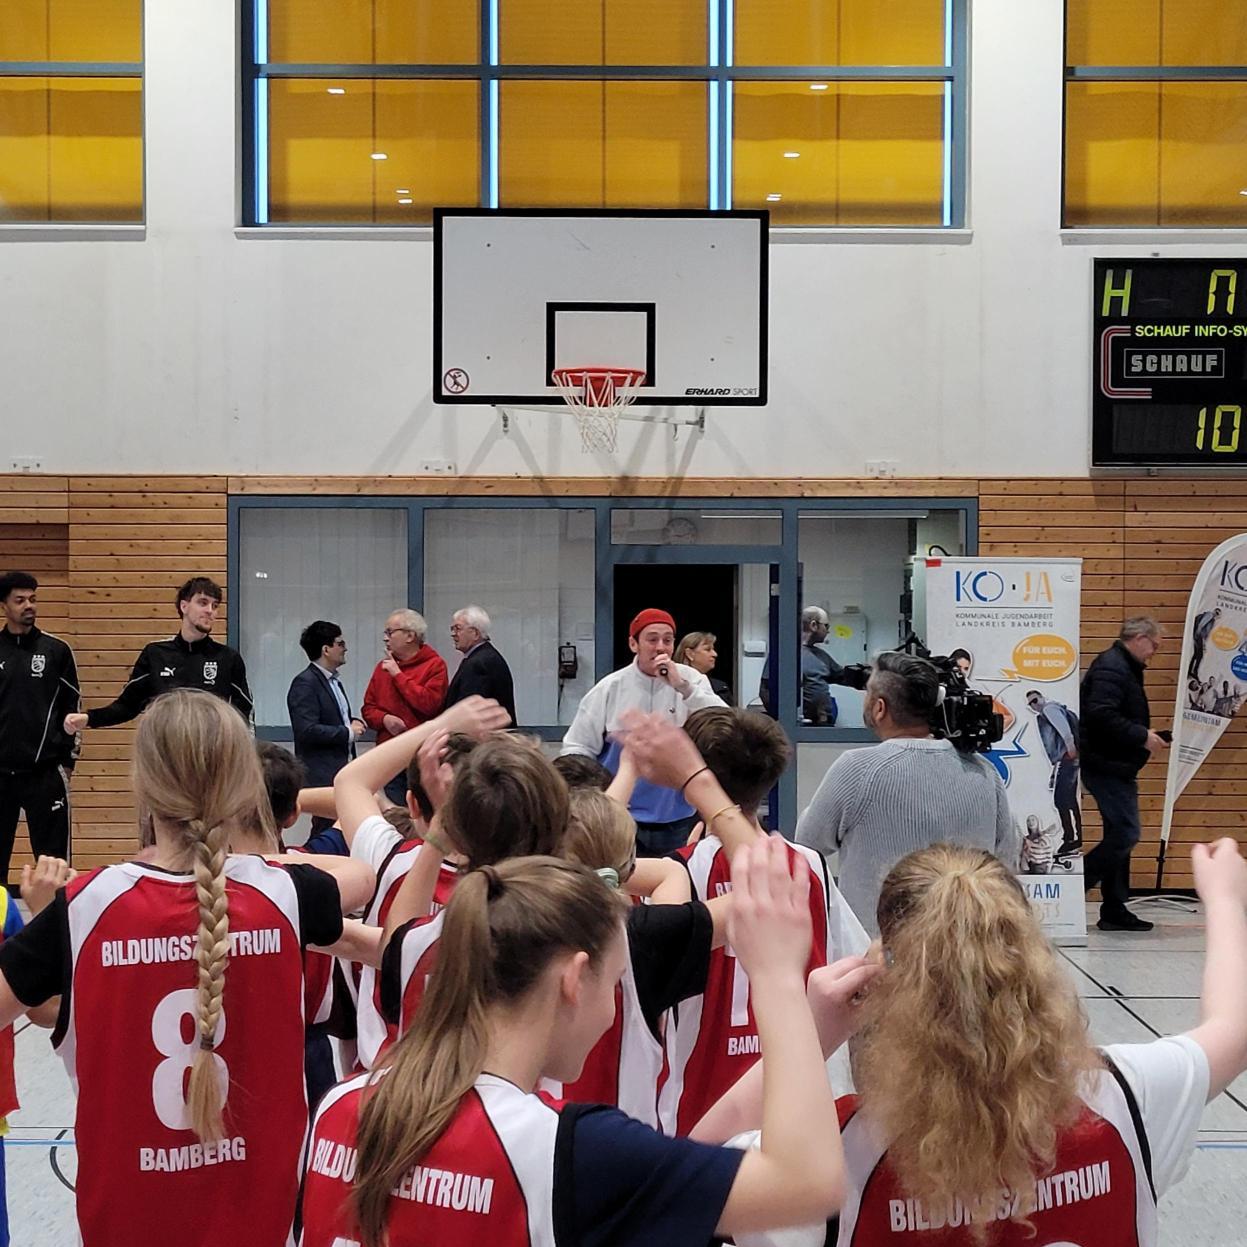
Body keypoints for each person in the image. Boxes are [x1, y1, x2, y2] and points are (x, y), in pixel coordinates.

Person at [694, 839, 1247, 1247]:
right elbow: (1233, 1027)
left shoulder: (831, 1158)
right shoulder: (1125, 1096)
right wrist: (1223, 902)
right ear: (1028, 956)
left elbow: (693, 1162)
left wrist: (811, 1032)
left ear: (885, 978)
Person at [299, 840, 847, 1247]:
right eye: (612, 986)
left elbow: (672, 1167)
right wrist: (778, 980)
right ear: (572, 979)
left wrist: (820, 1027)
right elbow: (808, 1184)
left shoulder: (339, 1106)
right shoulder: (563, 1147)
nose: (613, 1013)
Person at [0, 689, 375, 1246]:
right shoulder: (287, 894)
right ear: (243, 787)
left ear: (143, 787)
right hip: (262, 1215)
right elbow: (363, 881)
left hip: (126, 1218)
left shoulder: (84, 906)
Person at [622, 705, 866, 1135]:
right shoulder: (808, 867)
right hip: (798, 1095)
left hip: (701, 1103)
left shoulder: (676, 874)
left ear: (689, 784)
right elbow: (856, 965)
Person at [334, 696, 514, 1070]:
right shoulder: (518, 880)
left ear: (412, 805)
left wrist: (442, 722)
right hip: (478, 1081)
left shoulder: (387, 856)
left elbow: (350, 780)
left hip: (386, 1077)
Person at [796, 651, 1017, 938]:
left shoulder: (856, 768)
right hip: (965, 950)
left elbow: (806, 844)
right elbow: (1006, 858)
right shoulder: (985, 773)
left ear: (879, 708)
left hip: (876, 955)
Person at [561, 608, 724, 856]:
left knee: (675, 886)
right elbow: (576, 748)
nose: (661, 647)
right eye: (652, 639)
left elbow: (723, 722)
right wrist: (592, 797)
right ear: (633, 644)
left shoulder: (692, 681)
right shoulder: (609, 688)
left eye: (668, 640)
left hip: (677, 816)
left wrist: (682, 687)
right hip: (621, 816)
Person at [63, 577, 252, 736]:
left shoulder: (228, 658)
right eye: (203, 603)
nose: (210, 610)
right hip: (165, 759)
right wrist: (89, 718)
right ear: (184, 606)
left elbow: (244, 714)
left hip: (212, 760)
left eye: (215, 605)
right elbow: (127, 706)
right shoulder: (156, 654)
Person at [1081, 616, 1168, 933]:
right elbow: (1100, 714)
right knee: (1126, 833)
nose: (1154, 652)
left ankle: (1114, 909)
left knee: (1119, 833)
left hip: (1115, 763)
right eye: (1155, 645)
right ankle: (1078, 888)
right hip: (1106, 764)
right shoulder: (1112, 667)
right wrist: (1141, 736)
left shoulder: (1122, 666)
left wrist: (1143, 734)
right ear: (1140, 637)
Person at [0, 571, 81, 881]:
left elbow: (73, 708)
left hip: (45, 775)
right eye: (20, 600)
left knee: (55, 868)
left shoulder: (56, 651)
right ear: (4, 606)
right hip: (1, 774)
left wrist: (68, 761)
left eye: (32, 599)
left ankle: (58, 929)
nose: (28, 605)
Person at [361, 609, 448, 805]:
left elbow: (430, 705)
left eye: (390, 632)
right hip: (390, 754)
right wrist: (385, 719)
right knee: (397, 814)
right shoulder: (382, 668)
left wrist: (398, 675)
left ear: (410, 635)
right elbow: (368, 708)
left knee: (421, 811)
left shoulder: (435, 666)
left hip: (421, 755)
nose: (385, 639)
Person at [287, 620, 366, 830]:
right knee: (328, 828)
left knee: (339, 827)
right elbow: (306, 730)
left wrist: (350, 722)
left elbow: (332, 717)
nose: (345, 648)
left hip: (341, 769)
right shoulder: (305, 683)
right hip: (323, 773)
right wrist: (347, 732)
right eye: (340, 643)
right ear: (326, 649)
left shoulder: (334, 682)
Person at [1025, 688, 1083, 856]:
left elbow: (1065, 731)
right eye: (1031, 704)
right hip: (1067, 759)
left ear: (1042, 698)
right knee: (1068, 799)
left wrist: (1071, 750)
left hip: (1068, 758)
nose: (1034, 705)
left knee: (1062, 800)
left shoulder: (1049, 709)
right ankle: (1074, 837)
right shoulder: (1053, 709)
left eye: (1035, 700)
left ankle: (1071, 838)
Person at [444, 604, 517, 725]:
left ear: (475, 633)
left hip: (485, 741)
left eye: (458, 629)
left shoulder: (479, 664)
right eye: (452, 629)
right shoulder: (485, 657)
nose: (453, 634)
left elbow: (468, 712)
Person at [800, 607, 847, 725]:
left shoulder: (821, 656)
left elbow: (844, 676)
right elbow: (766, 690)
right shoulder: (786, 654)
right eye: (826, 626)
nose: (828, 631)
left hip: (823, 722)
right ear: (813, 625)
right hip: (798, 726)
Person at [675, 631, 734, 704]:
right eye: (707, 649)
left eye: (713, 649)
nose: (715, 654)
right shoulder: (669, 686)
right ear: (690, 654)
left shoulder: (721, 688)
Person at [1189, 606, 1220, 681]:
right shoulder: (1210, 615)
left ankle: (1190, 670)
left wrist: (1203, 643)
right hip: (1199, 636)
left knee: (1196, 654)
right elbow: (1201, 624)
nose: (1217, 615)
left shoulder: (1212, 620)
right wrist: (1197, 634)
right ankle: (1194, 671)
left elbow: (1206, 632)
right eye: (1217, 613)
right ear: (1215, 611)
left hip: (1200, 637)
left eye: (1218, 614)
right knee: (1199, 655)